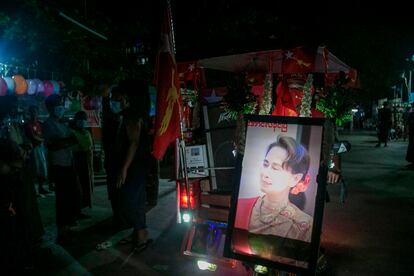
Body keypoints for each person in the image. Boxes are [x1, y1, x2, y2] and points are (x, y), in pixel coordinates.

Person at [235, 135, 312, 242]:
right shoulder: (240, 205)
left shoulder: (304, 225)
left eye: (275, 168)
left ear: (295, 179)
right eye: (265, 164)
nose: (265, 173)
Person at [112, 79, 152, 250]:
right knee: (137, 201)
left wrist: (124, 169)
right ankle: (138, 233)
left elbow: (134, 142)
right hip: (136, 166)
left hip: (134, 167)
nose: (113, 101)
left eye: (116, 98)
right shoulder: (129, 115)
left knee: (128, 202)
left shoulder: (131, 115)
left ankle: (141, 234)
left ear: (125, 98)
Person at [42, 94, 81, 244]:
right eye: (58, 105)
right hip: (58, 165)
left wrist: (65, 142)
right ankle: (62, 230)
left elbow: (73, 140)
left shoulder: (63, 124)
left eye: (61, 104)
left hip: (68, 162)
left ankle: (68, 227)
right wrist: (66, 141)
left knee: (71, 196)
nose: (61, 107)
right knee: (62, 198)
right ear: (51, 107)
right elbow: (54, 145)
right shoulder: (48, 124)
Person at [70, 111, 94, 216]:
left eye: (84, 120)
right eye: (80, 120)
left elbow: (89, 147)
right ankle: (76, 210)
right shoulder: (72, 133)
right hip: (77, 162)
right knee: (77, 186)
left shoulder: (87, 132)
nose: (82, 122)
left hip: (87, 162)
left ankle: (81, 208)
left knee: (86, 185)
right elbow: (82, 147)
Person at [25, 105, 50, 195]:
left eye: (35, 112)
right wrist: (42, 140)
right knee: (35, 169)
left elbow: (43, 135)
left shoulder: (39, 123)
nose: (34, 114)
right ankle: (34, 189)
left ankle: (41, 187)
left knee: (42, 169)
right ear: (30, 113)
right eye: (32, 112)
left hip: (41, 148)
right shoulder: (28, 124)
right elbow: (33, 137)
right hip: (34, 149)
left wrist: (42, 140)